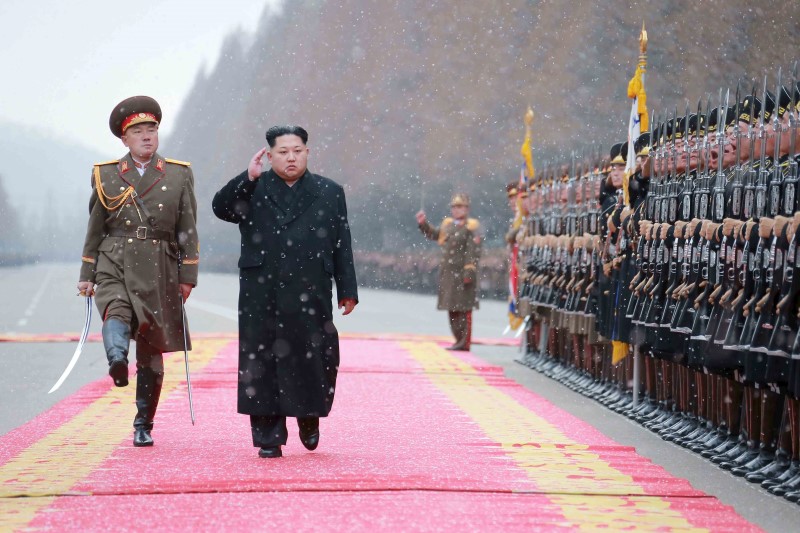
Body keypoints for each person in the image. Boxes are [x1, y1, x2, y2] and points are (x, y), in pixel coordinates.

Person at [212, 125, 358, 459]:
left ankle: (309, 416)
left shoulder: (329, 191)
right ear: (269, 155)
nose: (290, 157)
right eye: (282, 151)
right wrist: (246, 179)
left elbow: (342, 242)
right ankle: (268, 435)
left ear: (307, 152)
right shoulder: (254, 188)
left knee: (313, 357)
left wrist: (347, 288)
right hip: (261, 289)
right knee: (261, 360)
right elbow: (220, 208)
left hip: (311, 287)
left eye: (297, 150)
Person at [77, 95, 199, 447]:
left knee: (152, 348)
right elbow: (95, 227)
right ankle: (116, 358)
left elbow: (188, 227)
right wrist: (87, 273)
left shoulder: (178, 174)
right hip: (115, 256)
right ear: (124, 139)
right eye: (139, 132)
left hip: (159, 264)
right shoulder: (106, 174)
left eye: (152, 130)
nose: (147, 137)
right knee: (115, 307)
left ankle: (143, 422)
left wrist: (187, 275)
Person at [416, 193, 482, 351]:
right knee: (452, 308)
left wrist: (469, 271)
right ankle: (457, 339)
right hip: (449, 274)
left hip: (463, 273)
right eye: (454, 207)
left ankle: (464, 342)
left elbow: (472, 251)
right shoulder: (448, 225)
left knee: (464, 309)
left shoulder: (471, 227)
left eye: (460, 207)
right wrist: (424, 224)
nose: (456, 210)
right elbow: (435, 234)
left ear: (467, 209)